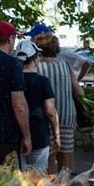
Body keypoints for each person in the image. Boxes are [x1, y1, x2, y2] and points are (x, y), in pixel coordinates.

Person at [34, 33, 83, 174]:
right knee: (66, 156)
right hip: (67, 116)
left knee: (48, 157)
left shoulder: (37, 66)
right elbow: (79, 93)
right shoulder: (66, 65)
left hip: (46, 118)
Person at [15, 40, 60, 172]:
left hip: (16, 135)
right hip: (39, 134)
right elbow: (50, 110)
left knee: (18, 180)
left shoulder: (11, 79)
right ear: (35, 58)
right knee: (37, 180)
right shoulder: (43, 81)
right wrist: (57, 134)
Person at [0, 21, 32, 164]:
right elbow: (19, 104)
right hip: (3, 136)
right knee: (5, 184)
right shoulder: (12, 63)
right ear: (11, 39)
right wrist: (27, 136)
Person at [25, 24, 91, 81]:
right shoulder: (33, 52)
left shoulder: (61, 51)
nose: (31, 40)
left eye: (33, 37)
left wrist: (76, 81)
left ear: (43, 38)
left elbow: (86, 63)